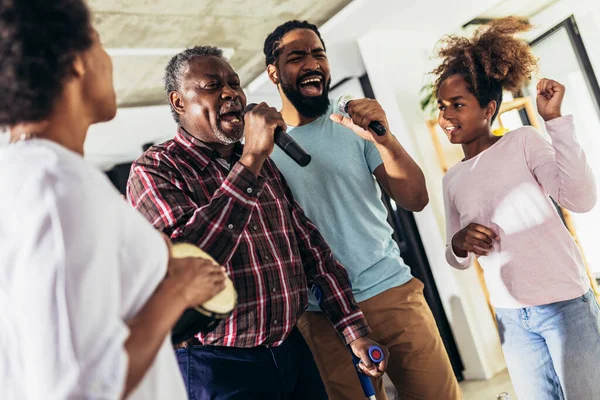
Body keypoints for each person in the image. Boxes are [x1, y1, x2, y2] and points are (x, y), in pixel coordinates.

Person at [126, 45, 388, 400]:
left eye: (234, 83)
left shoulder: (264, 166)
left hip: (290, 349)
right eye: (212, 85)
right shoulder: (155, 169)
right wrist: (250, 159)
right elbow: (192, 258)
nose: (231, 92)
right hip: (216, 365)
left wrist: (354, 332)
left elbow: (311, 249)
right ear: (178, 102)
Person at [0, 1, 228, 399]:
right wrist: (176, 291)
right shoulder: (55, 187)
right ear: (75, 62)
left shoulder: (28, 177)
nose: (108, 62)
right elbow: (76, 388)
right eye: (99, 45)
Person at [263, 20, 461, 400]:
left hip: (391, 294)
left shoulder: (353, 127)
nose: (312, 63)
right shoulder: (262, 149)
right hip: (322, 314)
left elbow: (416, 199)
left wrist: (383, 136)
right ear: (273, 72)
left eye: (319, 53)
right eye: (297, 56)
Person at [434, 17, 600, 399]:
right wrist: (459, 243)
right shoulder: (451, 179)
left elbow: (580, 198)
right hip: (511, 318)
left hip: (565, 306)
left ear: (488, 108)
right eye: (443, 107)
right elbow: (455, 257)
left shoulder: (523, 141)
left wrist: (555, 122)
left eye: (457, 105)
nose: (446, 116)